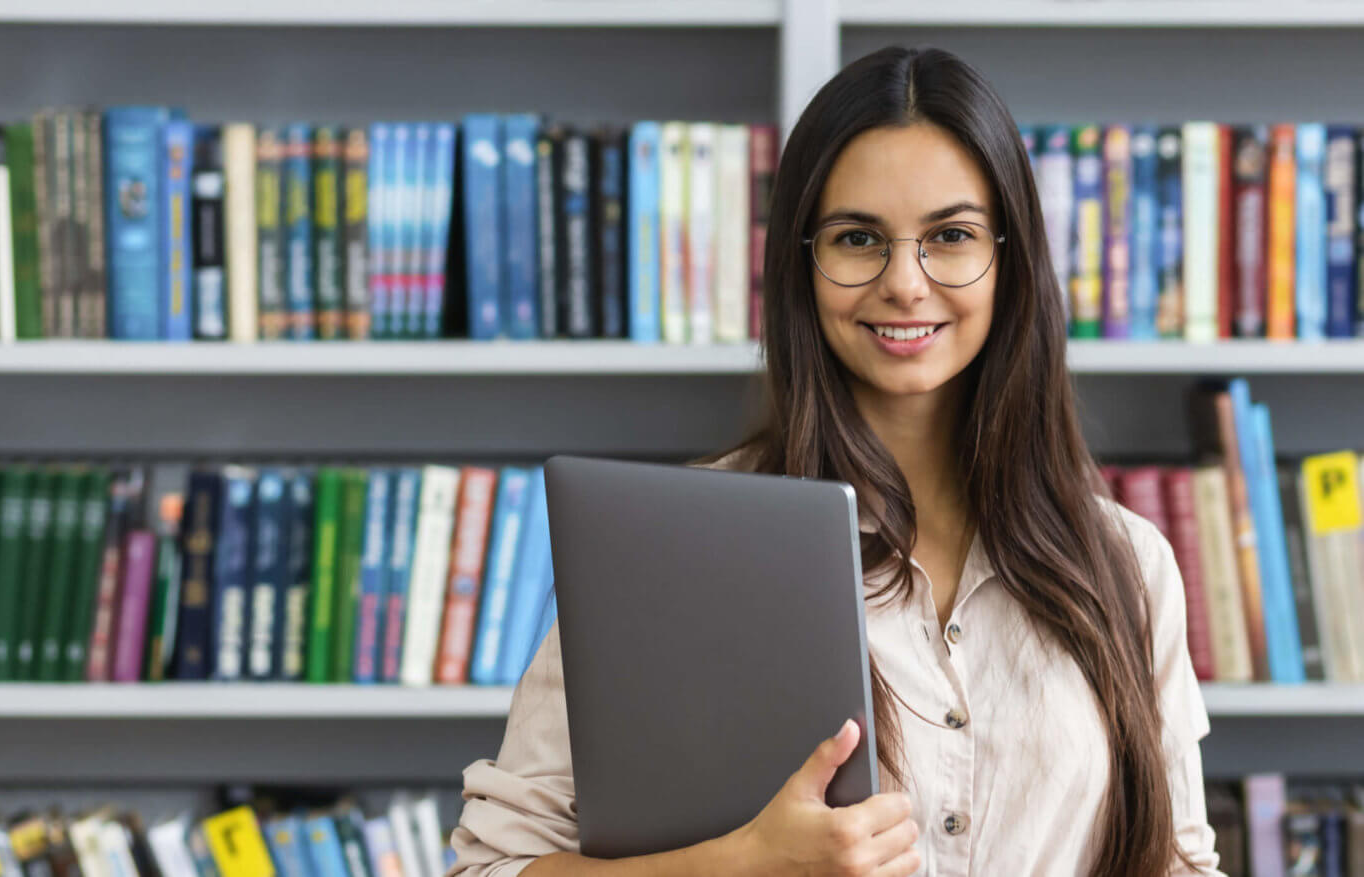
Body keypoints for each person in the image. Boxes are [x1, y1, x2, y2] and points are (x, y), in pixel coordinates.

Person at [447, 45, 1221, 877]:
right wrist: (742, 862)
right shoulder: (673, 550)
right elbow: (489, 868)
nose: (905, 283)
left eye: (951, 236)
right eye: (858, 239)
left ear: (1011, 260)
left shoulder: (1128, 564)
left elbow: (1178, 860)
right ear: (801, 263)